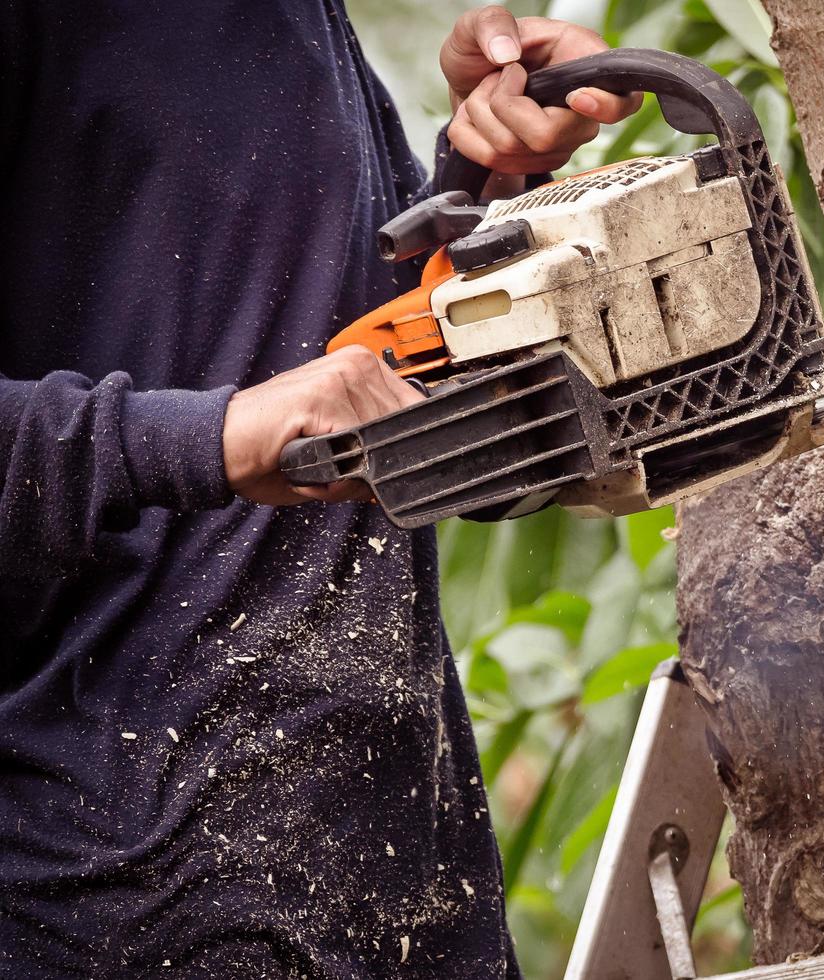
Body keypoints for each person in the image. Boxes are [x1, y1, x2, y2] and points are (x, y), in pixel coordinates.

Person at [0, 4, 638, 977]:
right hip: (118, 901)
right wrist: (203, 438)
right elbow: (243, 415)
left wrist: (486, 198)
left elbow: (332, 382)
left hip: (406, 882)